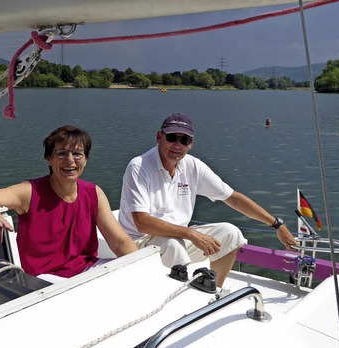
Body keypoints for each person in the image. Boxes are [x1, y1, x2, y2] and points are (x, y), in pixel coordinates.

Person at [118, 112, 298, 287]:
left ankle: (213, 293)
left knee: (230, 233)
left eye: (184, 140)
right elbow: (142, 223)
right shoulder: (139, 167)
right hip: (139, 244)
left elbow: (233, 198)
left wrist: (277, 225)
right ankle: (181, 298)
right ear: (159, 136)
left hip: (178, 237)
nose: (177, 145)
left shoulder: (193, 166)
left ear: (191, 144)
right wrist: (191, 233)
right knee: (173, 245)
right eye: (172, 137)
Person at [0, 125, 138, 282]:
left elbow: (119, 242)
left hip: (87, 268)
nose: (70, 160)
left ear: (85, 159)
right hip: (43, 278)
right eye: (61, 154)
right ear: (48, 159)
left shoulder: (94, 193)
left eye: (77, 154)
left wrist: (142, 265)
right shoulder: (29, 192)